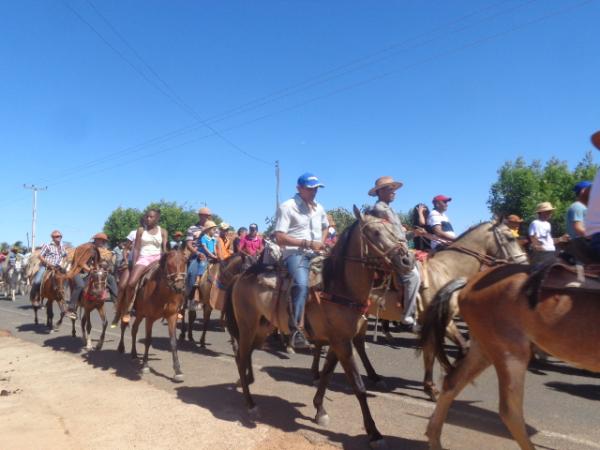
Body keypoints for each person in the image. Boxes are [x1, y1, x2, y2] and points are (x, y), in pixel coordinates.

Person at [275, 172, 329, 350]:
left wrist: (321, 241)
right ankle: (296, 329)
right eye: (310, 188)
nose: (314, 191)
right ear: (299, 188)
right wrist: (307, 243)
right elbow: (280, 238)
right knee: (301, 284)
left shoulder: (319, 208)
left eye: (316, 188)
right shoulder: (288, 206)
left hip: (316, 252)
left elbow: (325, 227)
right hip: (295, 254)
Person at [369, 176, 423, 328]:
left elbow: (399, 235)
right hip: (391, 251)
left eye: (394, 189)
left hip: (401, 248)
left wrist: (414, 234)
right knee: (413, 277)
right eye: (390, 189)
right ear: (379, 192)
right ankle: (408, 316)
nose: (394, 192)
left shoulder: (389, 209)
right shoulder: (379, 209)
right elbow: (385, 235)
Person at [118, 208, 168, 324]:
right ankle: (128, 309)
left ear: (157, 218)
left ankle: (173, 307)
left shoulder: (163, 231)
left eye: (151, 217)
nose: (148, 219)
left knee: (174, 278)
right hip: (144, 258)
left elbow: (164, 249)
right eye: (147, 217)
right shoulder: (141, 230)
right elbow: (136, 248)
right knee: (131, 283)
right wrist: (135, 263)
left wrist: (166, 258)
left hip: (158, 259)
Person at [66, 232, 118, 319]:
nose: (102, 243)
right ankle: (71, 308)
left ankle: (116, 302)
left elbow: (96, 263)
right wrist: (90, 270)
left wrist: (101, 269)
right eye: (101, 240)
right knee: (80, 285)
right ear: (96, 240)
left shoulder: (96, 249)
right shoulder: (86, 247)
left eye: (104, 241)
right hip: (77, 271)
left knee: (110, 278)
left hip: (90, 271)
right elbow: (80, 263)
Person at [30, 230, 67, 307]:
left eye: (60, 236)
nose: (58, 238)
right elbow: (40, 256)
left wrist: (63, 262)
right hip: (46, 267)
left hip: (57, 268)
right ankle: (35, 298)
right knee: (37, 281)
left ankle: (61, 295)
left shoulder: (62, 247)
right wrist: (48, 263)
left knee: (66, 278)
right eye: (56, 236)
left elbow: (65, 256)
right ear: (52, 238)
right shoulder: (47, 246)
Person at [528, 202, 569, 267]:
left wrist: (561, 239)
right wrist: (542, 250)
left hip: (551, 253)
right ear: (541, 212)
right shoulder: (535, 223)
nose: (550, 213)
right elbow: (534, 239)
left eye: (550, 211)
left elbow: (547, 241)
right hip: (542, 255)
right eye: (548, 211)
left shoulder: (548, 224)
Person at [185, 207, 212, 298]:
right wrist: (197, 253)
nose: (205, 217)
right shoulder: (192, 228)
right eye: (202, 215)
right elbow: (189, 244)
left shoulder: (214, 229)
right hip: (197, 255)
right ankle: (191, 296)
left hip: (212, 255)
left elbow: (216, 243)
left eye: (207, 216)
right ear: (199, 216)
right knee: (191, 273)